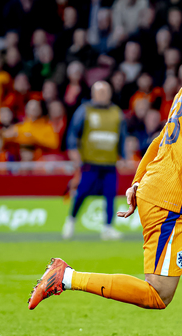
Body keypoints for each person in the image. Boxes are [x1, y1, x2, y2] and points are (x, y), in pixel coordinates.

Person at [28, 30, 182, 336]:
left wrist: (137, 180)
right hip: (171, 201)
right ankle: (66, 276)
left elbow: (162, 136)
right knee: (159, 294)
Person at [60, 81, 125, 241]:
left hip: (110, 163)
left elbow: (121, 136)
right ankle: (71, 221)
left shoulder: (116, 112)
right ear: (93, 94)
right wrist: (73, 149)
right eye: (100, 92)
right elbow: (73, 132)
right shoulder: (85, 110)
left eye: (106, 92)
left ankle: (108, 228)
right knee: (82, 192)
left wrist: (123, 155)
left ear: (110, 93)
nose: (103, 95)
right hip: (90, 162)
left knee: (110, 195)